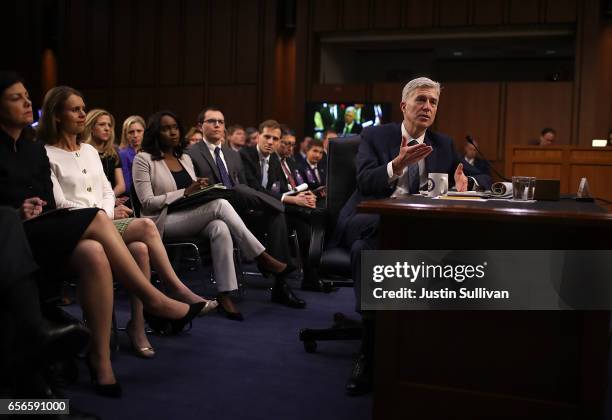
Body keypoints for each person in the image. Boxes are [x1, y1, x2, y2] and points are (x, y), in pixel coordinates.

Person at [0, 75, 203, 398]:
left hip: (47, 230)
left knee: (96, 250)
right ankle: (154, 299)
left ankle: (101, 359)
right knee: (113, 222)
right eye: (16, 98)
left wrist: (37, 207)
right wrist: (16, 210)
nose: (27, 103)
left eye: (27, 96)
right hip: (18, 238)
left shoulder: (32, 150)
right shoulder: (43, 151)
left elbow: (52, 199)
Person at [332, 77, 492, 396]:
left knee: (370, 252)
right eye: (421, 100)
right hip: (369, 217)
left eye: (433, 102)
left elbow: (482, 176)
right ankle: (369, 353)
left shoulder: (443, 144)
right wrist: (395, 165)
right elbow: (365, 182)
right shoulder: (376, 136)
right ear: (405, 105)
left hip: (411, 229)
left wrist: (468, 185)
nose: (427, 107)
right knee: (376, 238)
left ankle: (380, 339)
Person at [41, 86, 212, 361]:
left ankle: (139, 325)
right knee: (144, 227)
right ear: (56, 115)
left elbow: (109, 191)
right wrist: (98, 217)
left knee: (142, 248)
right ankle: (172, 294)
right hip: (74, 231)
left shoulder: (88, 151)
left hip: (103, 223)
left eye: (84, 108)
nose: (82, 113)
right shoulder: (47, 154)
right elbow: (60, 203)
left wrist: (105, 215)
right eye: (75, 109)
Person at [133, 110, 288, 320]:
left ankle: (225, 294)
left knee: (220, 227)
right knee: (220, 205)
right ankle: (261, 256)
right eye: (166, 128)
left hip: (187, 214)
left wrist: (199, 188)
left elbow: (189, 192)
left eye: (175, 127)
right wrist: (185, 192)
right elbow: (147, 203)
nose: (172, 132)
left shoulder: (184, 158)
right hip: (160, 221)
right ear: (155, 133)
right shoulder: (143, 159)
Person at [187, 108, 306, 307]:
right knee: (241, 191)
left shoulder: (231, 155)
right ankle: (271, 252)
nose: (217, 125)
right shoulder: (191, 153)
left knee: (275, 215)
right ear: (201, 126)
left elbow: (246, 189)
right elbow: (193, 190)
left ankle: (280, 286)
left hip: (240, 211)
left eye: (221, 122)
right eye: (212, 121)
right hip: (210, 210)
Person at [83, 109, 126, 200]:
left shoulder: (113, 153)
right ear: (91, 127)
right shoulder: (82, 151)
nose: (107, 128)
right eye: (102, 124)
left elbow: (121, 186)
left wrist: (110, 199)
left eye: (109, 125)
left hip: (111, 197)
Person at [118, 115, 145, 197]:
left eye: (139, 131)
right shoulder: (122, 154)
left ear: (144, 132)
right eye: (131, 132)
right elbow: (127, 184)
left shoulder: (151, 152)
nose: (135, 135)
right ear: (125, 134)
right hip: (132, 196)